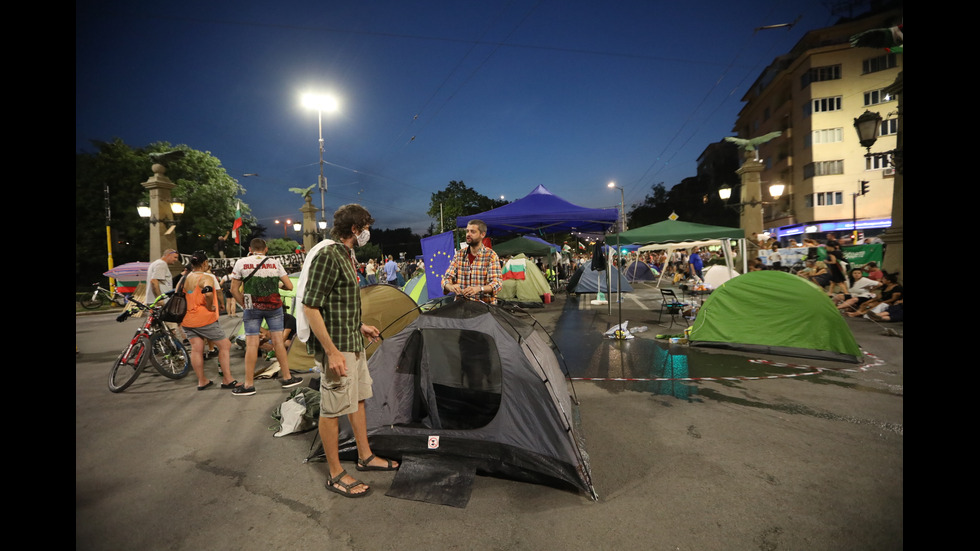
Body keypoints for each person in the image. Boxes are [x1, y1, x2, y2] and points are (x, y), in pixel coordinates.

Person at [300, 204, 398, 498]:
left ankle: (365, 456)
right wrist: (331, 352)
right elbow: (311, 306)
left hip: (351, 342)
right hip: (338, 349)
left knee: (357, 400)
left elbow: (338, 305)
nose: (368, 232)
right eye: (366, 226)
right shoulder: (329, 255)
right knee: (332, 411)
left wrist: (360, 326)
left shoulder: (346, 255)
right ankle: (335, 474)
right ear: (355, 229)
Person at [230, 238, 302, 396]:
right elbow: (289, 286)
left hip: (252, 308)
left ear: (250, 248)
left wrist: (243, 303)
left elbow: (233, 289)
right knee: (278, 342)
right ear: (266, 249)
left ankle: (248, 385)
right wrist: (278, 285)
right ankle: (287, 377)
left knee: (251, 344)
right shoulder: (274, 263)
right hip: (274, 308)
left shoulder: (241, 263)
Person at [182, 251, 239, 391]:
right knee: (225, 345)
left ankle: (202, 381)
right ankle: (227, 379)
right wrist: (209, 305)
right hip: (204, 318)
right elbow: (207, 293)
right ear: (205, 263)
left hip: (187, 319)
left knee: (196, 349)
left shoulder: (185, 277)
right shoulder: (206, 277)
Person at [442, 219, 503, 304]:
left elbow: (497, 284)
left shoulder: (491, 256)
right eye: (467, 231)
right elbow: (446, 279)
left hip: (484, 308)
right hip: (462, 307)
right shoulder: (459, 255)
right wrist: (450, 286)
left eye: (472, 232)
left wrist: (479, 289)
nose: (468, 234)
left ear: (482, 234)